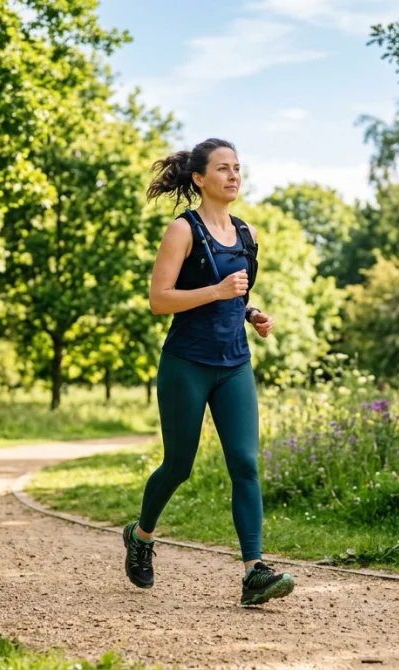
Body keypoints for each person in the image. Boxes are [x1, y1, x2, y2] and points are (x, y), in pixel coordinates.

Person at [121, 138, 295, 607]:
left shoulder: (246, 234)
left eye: (237, 168)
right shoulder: (183, 230)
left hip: (234, 363)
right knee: (179, 465)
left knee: (245, 463)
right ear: (199, 178)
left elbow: (235, 296)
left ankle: (254, 571)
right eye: (223, 169)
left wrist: (252, 313)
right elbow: (160, 300)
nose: (233, 176)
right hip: (186, 364)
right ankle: (141, 535)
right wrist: (217, 291)